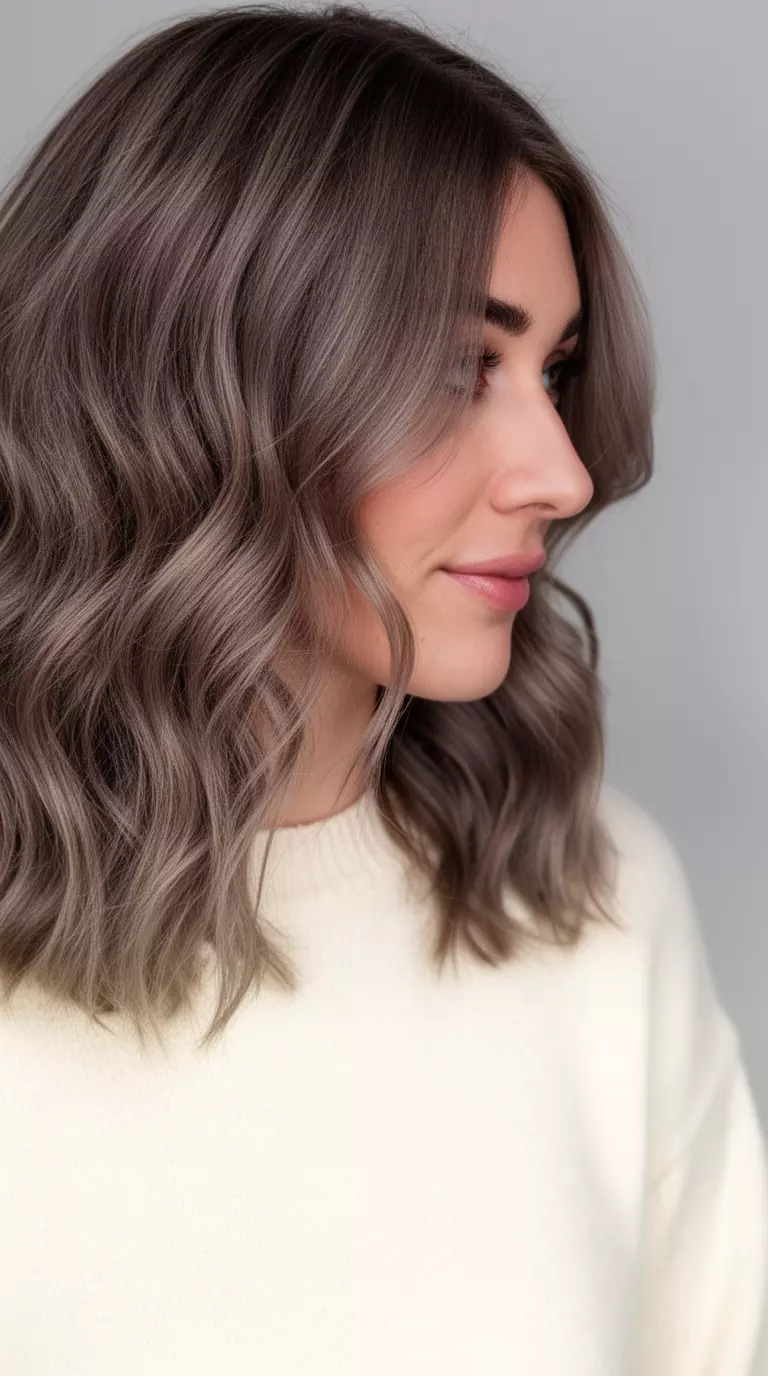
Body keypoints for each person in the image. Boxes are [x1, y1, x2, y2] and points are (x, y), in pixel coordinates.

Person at [0, 4, 765, 1372]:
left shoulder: (594, 905)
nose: (564, 473)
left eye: (554, 371)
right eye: (463, 366)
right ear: (193, 386)